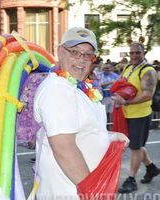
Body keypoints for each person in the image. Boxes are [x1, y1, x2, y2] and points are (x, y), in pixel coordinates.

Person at [33, 27, 128, 199]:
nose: (81, 60)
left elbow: (84, 131)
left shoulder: (79, 87)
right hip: (69, 192)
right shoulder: (57, 89)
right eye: (75, 52)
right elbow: (63, 147)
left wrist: (111, 137)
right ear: (60, 51)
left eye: (87, 55)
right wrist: (92, 191)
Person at [114, 42, 160, 193]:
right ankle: (151, 168)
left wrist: (125, 101)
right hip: (127, 113)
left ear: (143, 53)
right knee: (137, 145)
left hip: (140, 115)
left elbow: (147, 95)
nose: (134, 55)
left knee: (135, 147)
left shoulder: (148, 70)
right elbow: (121, 82)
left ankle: (131, 180)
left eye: (137, 53)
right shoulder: (128, 67)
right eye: (132, 53)